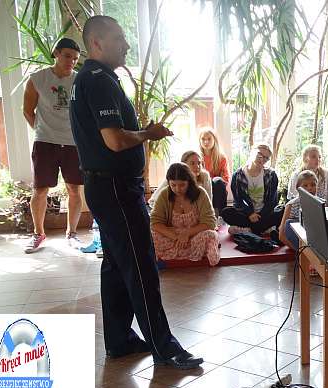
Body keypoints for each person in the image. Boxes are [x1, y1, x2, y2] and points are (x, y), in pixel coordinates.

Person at [70, 15, 202, 369]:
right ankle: (164, 347)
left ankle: (119, 339)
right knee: (142, 265)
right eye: (118, 38)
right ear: (96, 43)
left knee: (116, 263)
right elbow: (114, 140)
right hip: (115, 188)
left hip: (104, 185)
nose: (126, 45)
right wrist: (148, 134)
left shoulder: (89, 79)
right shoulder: (98, 81)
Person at [22, 37, 83, 253]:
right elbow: (27, 110)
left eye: (75, 58)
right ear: (56, 54)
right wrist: (42, 131)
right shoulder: (38, 79)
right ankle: (38, 234)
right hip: (45, 142)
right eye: (67, 56)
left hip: (73, 143)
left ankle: (72, 234)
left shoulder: (79, 80)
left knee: (74, 189)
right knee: (40, 190)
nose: (71, 61)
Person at [150, 163, 219, 266]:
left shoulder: (200, 193)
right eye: (173, 185)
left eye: (182, 185)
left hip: (195, 235)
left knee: (211, 235)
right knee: (150, 236)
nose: (177, 189)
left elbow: (210, 223)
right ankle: (186, 251)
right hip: (172, 237)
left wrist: (187, 234)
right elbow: (155, 223)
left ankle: (185, 251)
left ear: (189, 182)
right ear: (168, 183)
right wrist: (176, 237)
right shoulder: (164, 194)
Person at [221, 144, 283, 236]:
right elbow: (238, 200)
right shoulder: (238, 175)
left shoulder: (271, 175)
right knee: (226, 212)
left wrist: (260, 215)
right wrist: (250, 213)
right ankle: (262, 229)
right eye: (260, 154)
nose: (262, 159)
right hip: (247, 214)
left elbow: (272, 202)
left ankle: (248, 230)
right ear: (252, 152)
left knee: (283, 211)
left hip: (265, 214)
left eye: (266, 158)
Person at [279, 170, 318, 250]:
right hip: (299, 243)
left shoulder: (320, 204)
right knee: (289, 223)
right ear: (298, 188)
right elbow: (282, 235)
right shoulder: (291, 205)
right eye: (305, 186)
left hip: (315, 241)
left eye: (313, 185)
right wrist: (300, 251)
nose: (310, 188)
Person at [198, 127, 229, 213]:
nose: (206, 142)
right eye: (203, 139)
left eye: (209, 139)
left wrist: (211, 181)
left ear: (214, 140)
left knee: (218, 181)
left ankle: (219, 214)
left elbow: (225, 178)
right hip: (202, 186)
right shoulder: (197, 157)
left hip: (217, 188)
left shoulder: (221, 158)